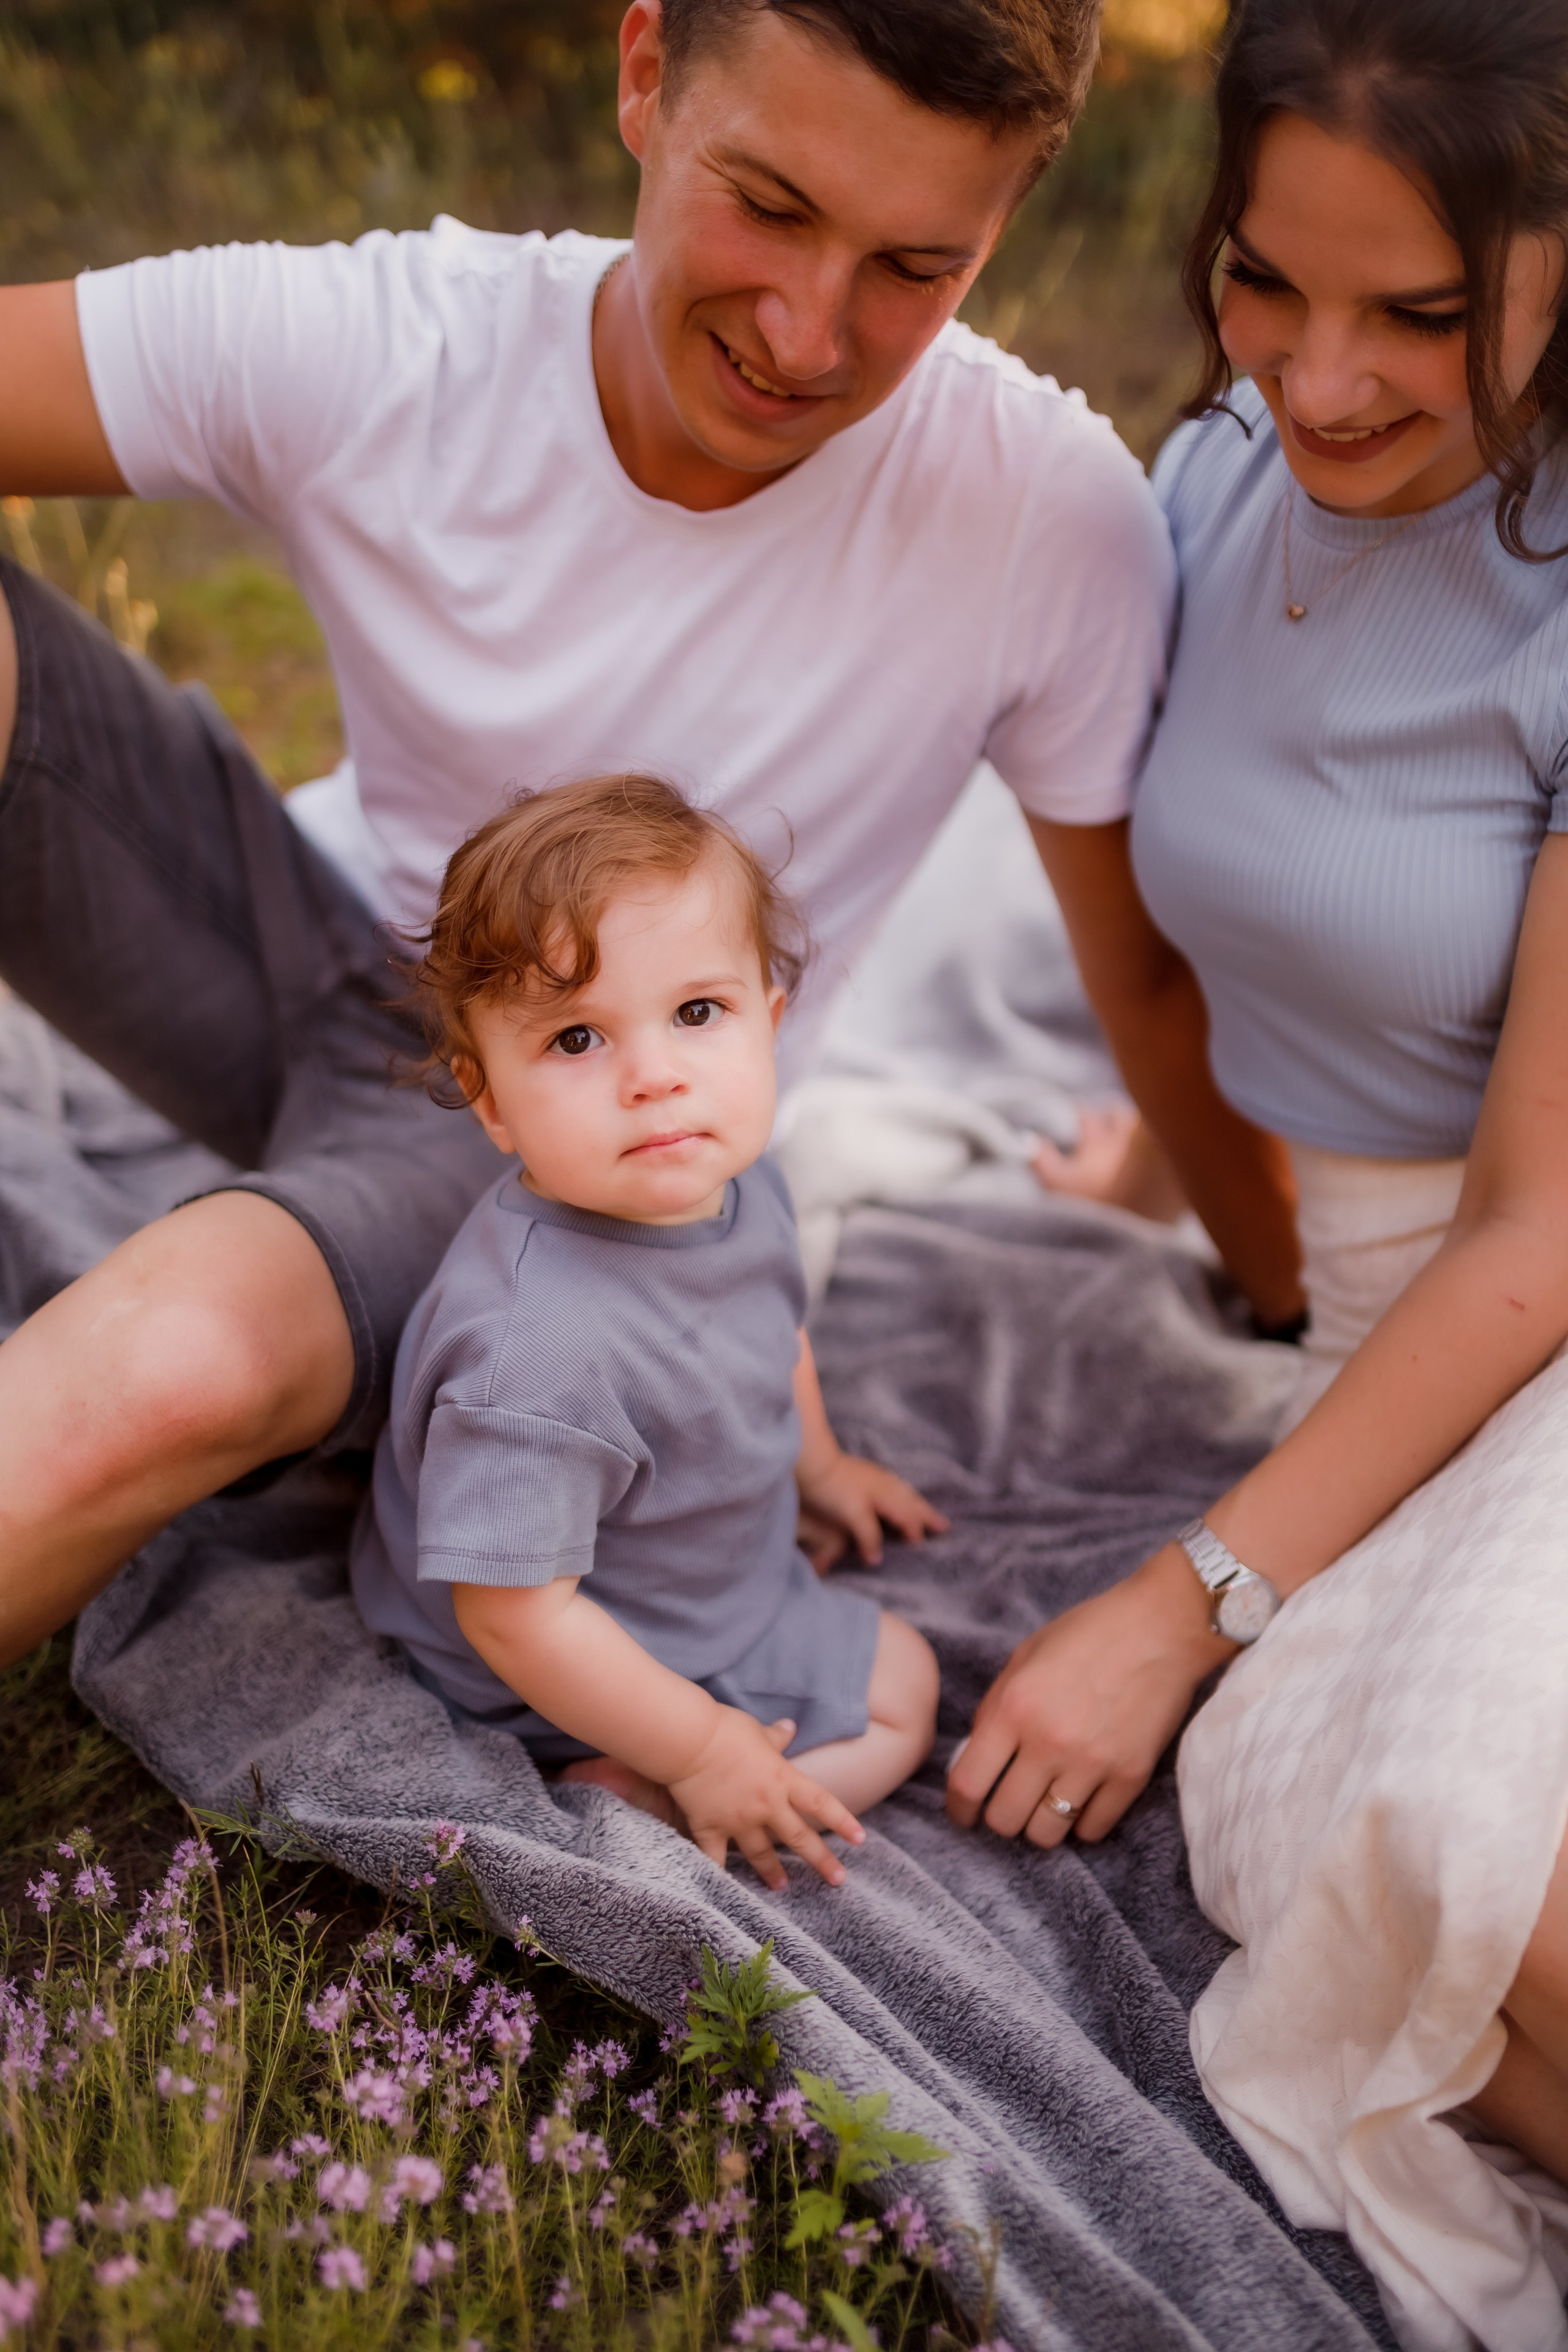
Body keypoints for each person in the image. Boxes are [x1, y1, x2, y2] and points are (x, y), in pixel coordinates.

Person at [0, 0, 1303, 1672]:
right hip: (284, 924)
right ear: (644, 77)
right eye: (766, 205)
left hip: (527, 1128)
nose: (806, 333)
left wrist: (1296, 1317)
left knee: (166, 1370)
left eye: (915, 267)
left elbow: (1146, 984)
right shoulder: (400, 340)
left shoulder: (1041, 520)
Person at [946, 2, 1568, 2342]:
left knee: (1477, 1888)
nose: (1318, 375)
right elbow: (1218, 935)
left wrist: (1177, 1600)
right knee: (1354, 1872)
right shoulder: (1209, 480)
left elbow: (1538, 1228)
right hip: (1393, 1344)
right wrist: (1163, 1172)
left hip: (1535, 1297)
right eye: (1263, 281)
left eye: (1418, 311)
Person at [352, 772, 944, 1888]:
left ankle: (671, 1770)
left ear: (770, 1026)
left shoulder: (735, 1180)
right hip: (572, 1662)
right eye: (577, 1038)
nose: (656, 1078)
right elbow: (515, 1620)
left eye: (698, 1014)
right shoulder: (535, 1350)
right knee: (901, 1691)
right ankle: (647, 1797)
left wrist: (818, 1469)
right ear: (490, 1100)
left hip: (685, 1568)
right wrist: (702, 1746)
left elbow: (774, 1325)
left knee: (894, 1672)